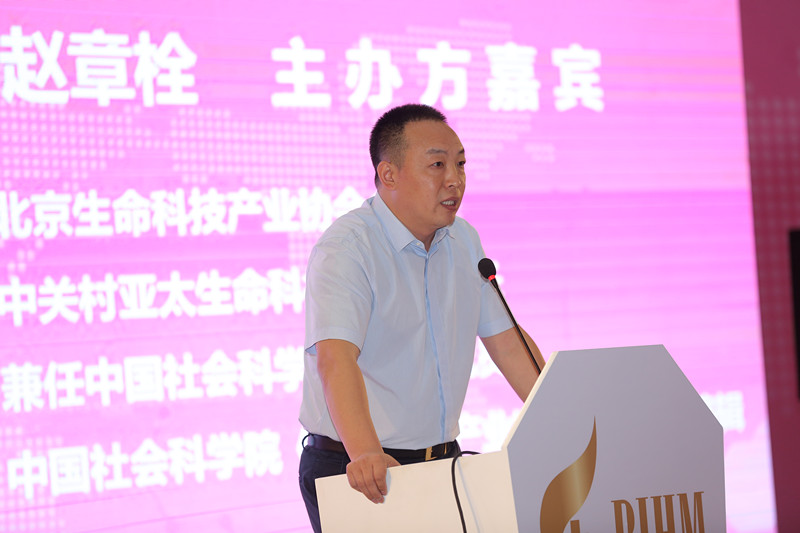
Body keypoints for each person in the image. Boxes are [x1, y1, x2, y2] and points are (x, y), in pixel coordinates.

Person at [298, 103, 544, 532]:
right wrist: (366, 453)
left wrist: (559, 413)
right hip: (361, 470)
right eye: (437, 164)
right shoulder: (348, 248)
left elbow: (507, 343)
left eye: (461, 164)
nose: (455, 179)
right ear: (389, 174)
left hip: (442, 464)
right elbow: (336, 359)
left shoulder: (462, 240)